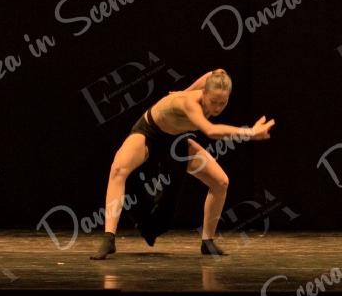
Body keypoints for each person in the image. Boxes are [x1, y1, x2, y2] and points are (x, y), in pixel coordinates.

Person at [90, 69, 275, 259]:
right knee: (118, 169)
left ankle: (208, 242)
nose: (218, 108)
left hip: (176, 139)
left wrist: (185, 89)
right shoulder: (189, 103)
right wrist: (250, 132)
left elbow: (217, 72)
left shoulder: (214, 85)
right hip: (150, 133)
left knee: (221, 182)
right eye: (213, 102)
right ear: (204, 93)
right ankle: (109, 238)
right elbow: (211, 131)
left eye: (223, 102)